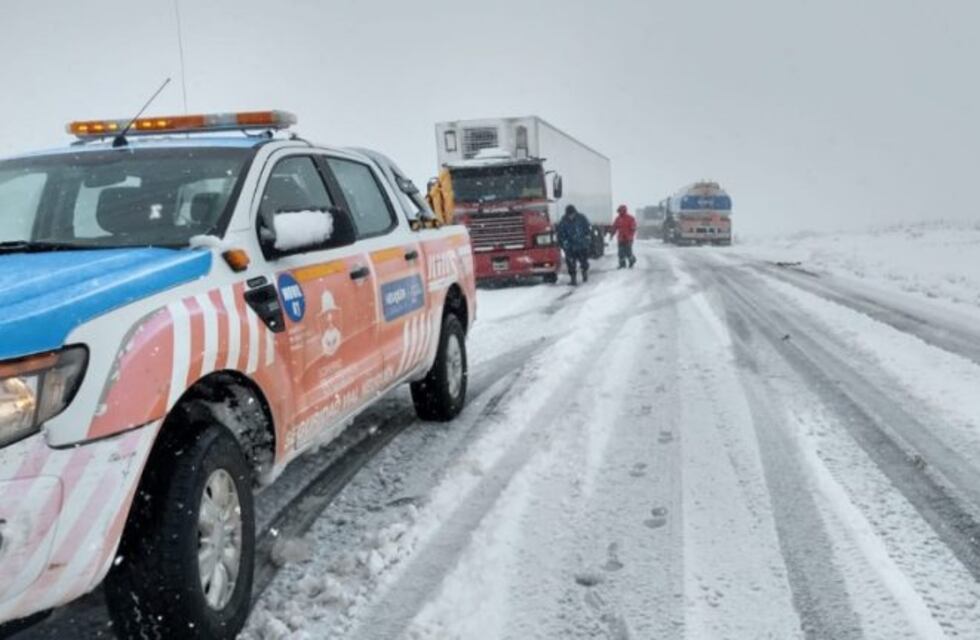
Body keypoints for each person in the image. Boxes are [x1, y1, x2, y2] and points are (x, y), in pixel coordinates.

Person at [556, 204, 592, 285]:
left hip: (582, 245)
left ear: (575, 212)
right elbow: (560, 233)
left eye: (572, 214)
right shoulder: (563, 221)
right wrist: (564, 242)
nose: (571, 216)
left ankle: (584, 272)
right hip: (570, 246)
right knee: (570, 263)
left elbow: (588, 228)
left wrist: (587, 238)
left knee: (584, 261)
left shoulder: (582, 218)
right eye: (569, 215)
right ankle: (573, 278)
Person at [609, 204, 637, 268]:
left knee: (628, 252)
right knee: (620, 253)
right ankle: (622, 264)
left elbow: (633, 228)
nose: (619, 212)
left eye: (620, 211)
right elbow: (614, 227)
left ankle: (632, 261)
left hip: (628, 239)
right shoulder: (618, 219)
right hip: (620, 239)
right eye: (619, 211)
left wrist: (630, 236)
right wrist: (611, 235)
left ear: (624, 210)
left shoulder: (630, 218)